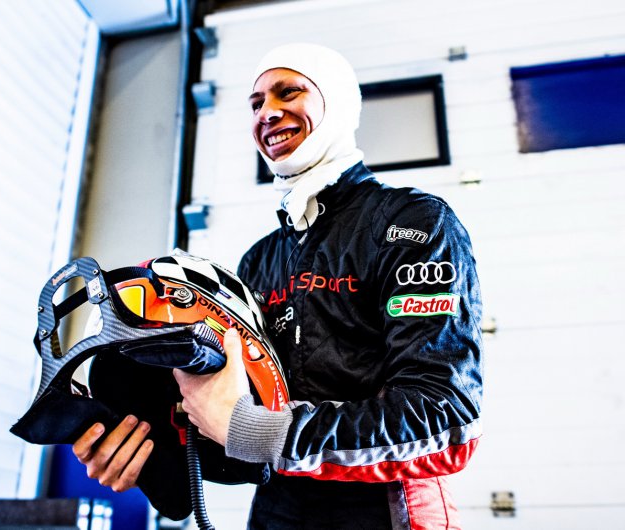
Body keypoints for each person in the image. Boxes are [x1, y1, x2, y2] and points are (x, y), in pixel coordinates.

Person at [74, 43, 483, 529]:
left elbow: (446, 419)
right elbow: (245, 437)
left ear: (337, 102)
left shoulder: (411, 223)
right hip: (278, 513)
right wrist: (151, 445)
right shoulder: (260, 258)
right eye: (256, 103)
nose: (266, 113)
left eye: (289, 93)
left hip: (392, 511)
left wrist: (263, 432)